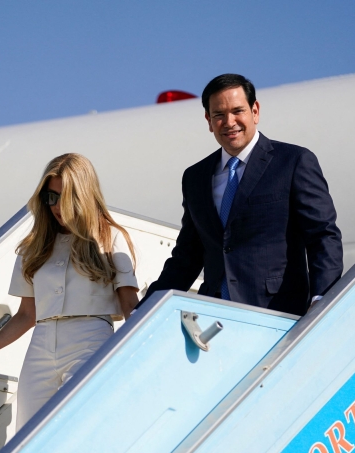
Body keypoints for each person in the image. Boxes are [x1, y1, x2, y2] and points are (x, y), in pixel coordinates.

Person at [0, 153, 139, 426]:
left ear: (83, 195)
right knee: (27, 432)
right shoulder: (35, 245)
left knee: (78, 425)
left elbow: (129, 304)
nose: (56, 207)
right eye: (50, 197)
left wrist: (139, 351)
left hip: (91, 338)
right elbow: (26, 315)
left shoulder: (110, 236)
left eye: (63, 197)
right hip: (41, 345)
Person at [143, 73, 343, 317]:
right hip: (213, 314)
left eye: (238, 111)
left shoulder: (293, 162)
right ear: (208, 120)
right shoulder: (195, 177)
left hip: (278, 312)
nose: (229, 122)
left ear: (255, 111)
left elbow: (322, 235)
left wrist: (322, 297)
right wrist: (145, 309)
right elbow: (187, 256)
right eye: (219, 114)